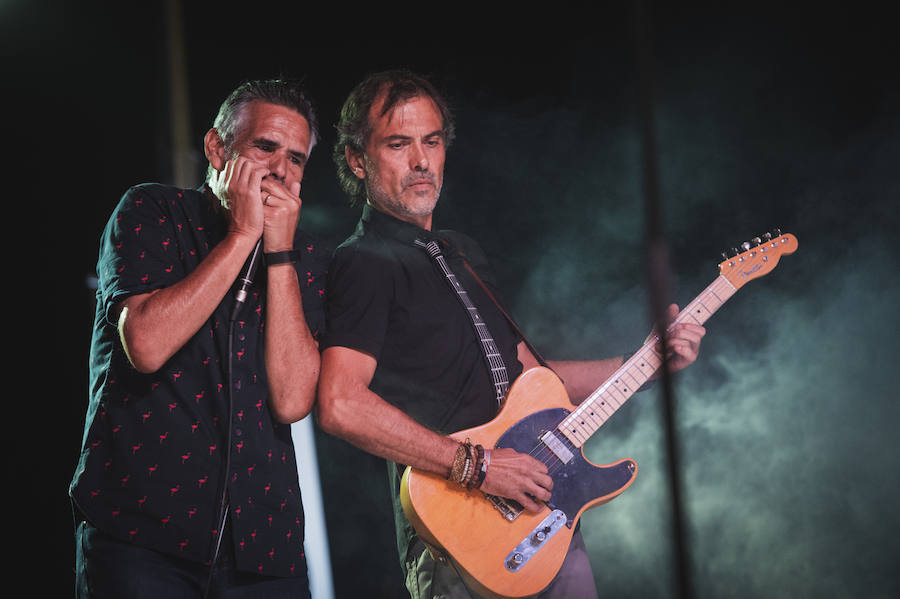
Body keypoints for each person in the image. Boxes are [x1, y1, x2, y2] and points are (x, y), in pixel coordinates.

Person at [316, 70, 706, 598]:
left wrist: (645, 363)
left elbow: (533, 381)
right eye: (398, 144)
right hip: (460, 537)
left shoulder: (461, 251)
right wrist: (476, 467)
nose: (421, 161)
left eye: (432, 141)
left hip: (541, 515)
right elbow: (340, 403)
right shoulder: (362, 261)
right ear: (357, 161)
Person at [70, 78, 329, 598]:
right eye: (265, 147)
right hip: (144, 535)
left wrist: (277, 252)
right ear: (217, 148)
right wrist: (241, 236)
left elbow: (294, 399)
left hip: (263, 546)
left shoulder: (304, 259)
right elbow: (143, 344)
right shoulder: (150, 210)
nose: (280, 169)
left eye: (296, 159)